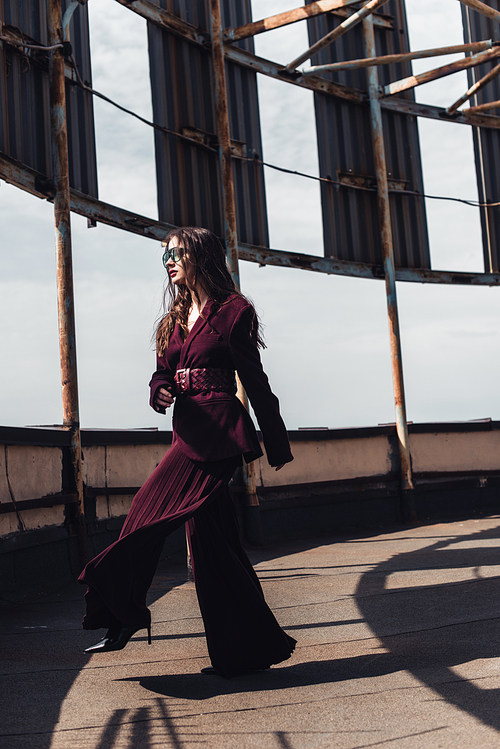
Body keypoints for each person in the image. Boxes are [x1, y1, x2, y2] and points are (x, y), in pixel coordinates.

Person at [78, 226, 296, 678]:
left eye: (176, 254)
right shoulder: (175, 317)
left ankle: (122, 616)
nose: (169, 263)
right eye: (165, 258)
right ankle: (247, 652)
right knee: (214, 548)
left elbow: (255, 380)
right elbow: (162, 372)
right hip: (186, 431)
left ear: (201, 255)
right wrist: (159, 390)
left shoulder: (235, 312)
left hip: (217, 438)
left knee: (145, 513)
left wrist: (275, 441)